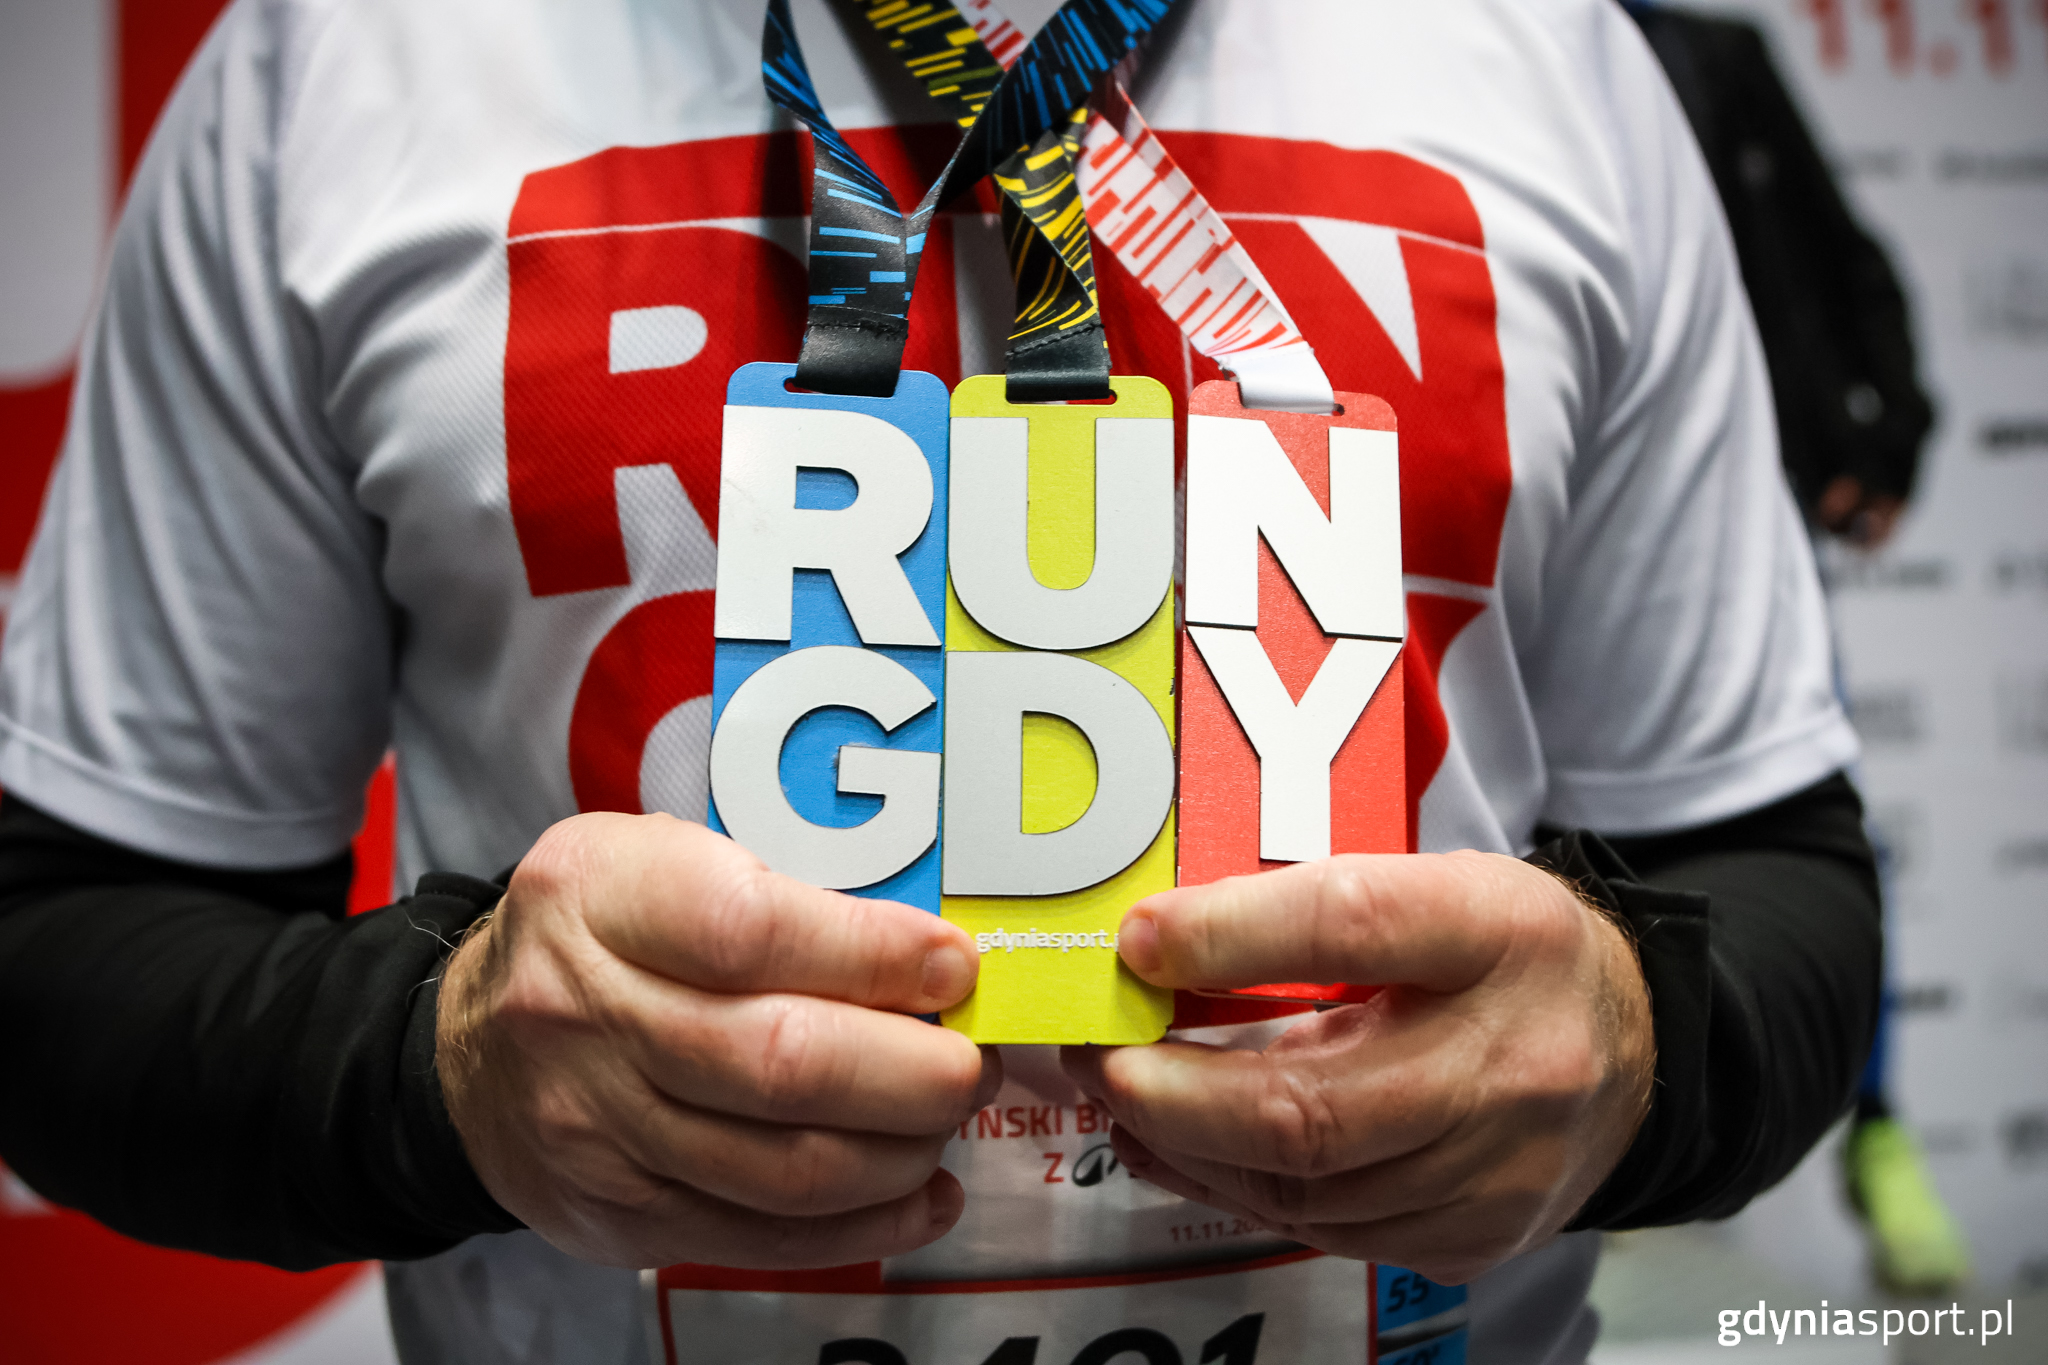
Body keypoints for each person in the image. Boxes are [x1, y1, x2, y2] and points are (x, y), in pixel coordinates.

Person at [0, 1, 1882, 1361]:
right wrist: (451, 1063)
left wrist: (1637, 1043)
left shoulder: (1552, 59)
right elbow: (66, 944)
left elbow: (1780, 874)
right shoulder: (344, 59)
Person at [1626, 2, 1967, 1296]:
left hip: (1749, 513)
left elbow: (1847, 259)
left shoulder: (1711, 56)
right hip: (1567, 517)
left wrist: (1883, 439)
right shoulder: (1458, 54)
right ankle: (1613, 1143)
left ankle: (1878, 1128)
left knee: (1801, 818)